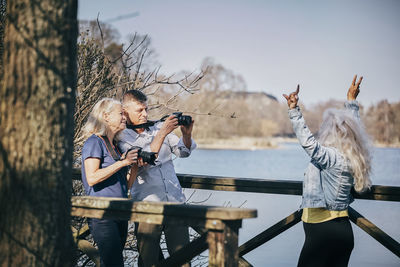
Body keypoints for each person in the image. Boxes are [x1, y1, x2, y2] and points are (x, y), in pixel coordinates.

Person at [283, 75, 372, 267]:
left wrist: (293, 111)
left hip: (321, 233)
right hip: (344, 233)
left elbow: (309, 143)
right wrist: (351, 102)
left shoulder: (331, 157)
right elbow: (353, 128)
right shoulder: (353, 158)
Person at [116, 89, 196, 267]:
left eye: (146, 109)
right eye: (139, 111)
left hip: (175, 203)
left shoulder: (158, 126)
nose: (145, 114)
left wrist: (186, 134)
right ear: (125, 111)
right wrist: (163, 133)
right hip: (147, 207)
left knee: (183, 261)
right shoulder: (122, 137)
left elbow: (183, 152)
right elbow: (144, 159)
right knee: (148, 261)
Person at [81, 98, 139, 267]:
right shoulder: (94, 142)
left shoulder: (116, 146)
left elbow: (125, 186)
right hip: (102, 214)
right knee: (114, 263)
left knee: (111, 263)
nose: (124, 118)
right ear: (106, 116)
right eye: (121, 114)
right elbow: (92, 178)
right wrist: (122, 163)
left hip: (119, 212)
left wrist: (134, 166)